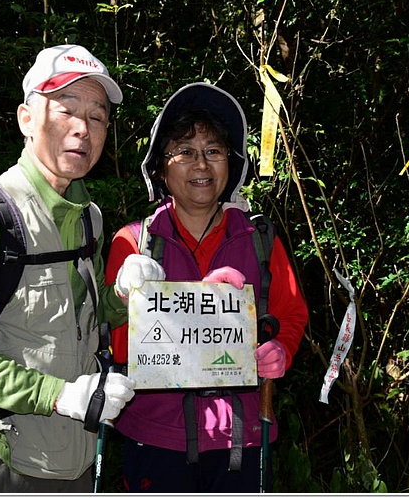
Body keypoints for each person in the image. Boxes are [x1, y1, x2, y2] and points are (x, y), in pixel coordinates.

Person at [0, 44, 136, 493]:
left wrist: (123, 295)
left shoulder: (90, 218)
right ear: (27, 119)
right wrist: (61, 396)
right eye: (66, 110)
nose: (82, 128)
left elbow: (87, 319)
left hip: (76, 461)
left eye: (98, 117)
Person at [104, 82, 309, 493]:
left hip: (243, 435)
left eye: (214, 151)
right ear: (161, 168)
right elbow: (119, 345)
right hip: (155, 434)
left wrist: (280, 350)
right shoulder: (135, 242)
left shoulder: (259, 239)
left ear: (231, 165)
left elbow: (291, 314)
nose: (201, 164)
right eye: (185, 152)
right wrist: (129, 297)